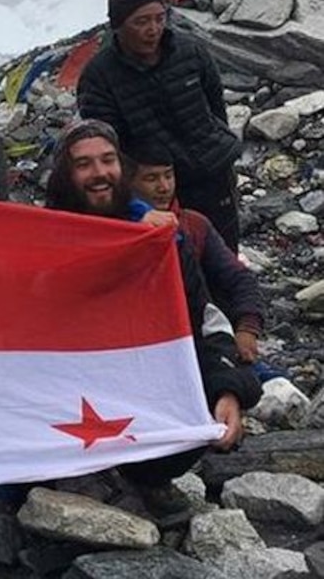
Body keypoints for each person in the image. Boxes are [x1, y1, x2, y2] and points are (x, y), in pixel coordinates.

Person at [45, 119, 260, 523]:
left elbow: (203, 320)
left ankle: (148, 477)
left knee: (203, 411)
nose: (99, 173)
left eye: (108, 160)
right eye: (84, 164)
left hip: (138, 381)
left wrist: (228, 389)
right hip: (64, 385)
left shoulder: (166, 240)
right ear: (65, 175)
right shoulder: (39, 239)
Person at [77, 0, 243, 252]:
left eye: (159, 18)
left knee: (223, 250)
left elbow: (215, 103)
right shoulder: (100, 76)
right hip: (158, 185)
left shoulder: (190, 51)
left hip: (213, 169)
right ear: (118, 25)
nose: (153, 29)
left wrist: (217, 144)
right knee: (175, 255)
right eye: (141, 22)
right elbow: (107, 143)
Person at [123, 139, 263, 364]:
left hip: (199, 339)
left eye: (168, 176)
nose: (164, 187)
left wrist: (247, 328)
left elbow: (239, 277)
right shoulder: (117, 230)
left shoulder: (194, 225)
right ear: (128, 183)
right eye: (151, 178)